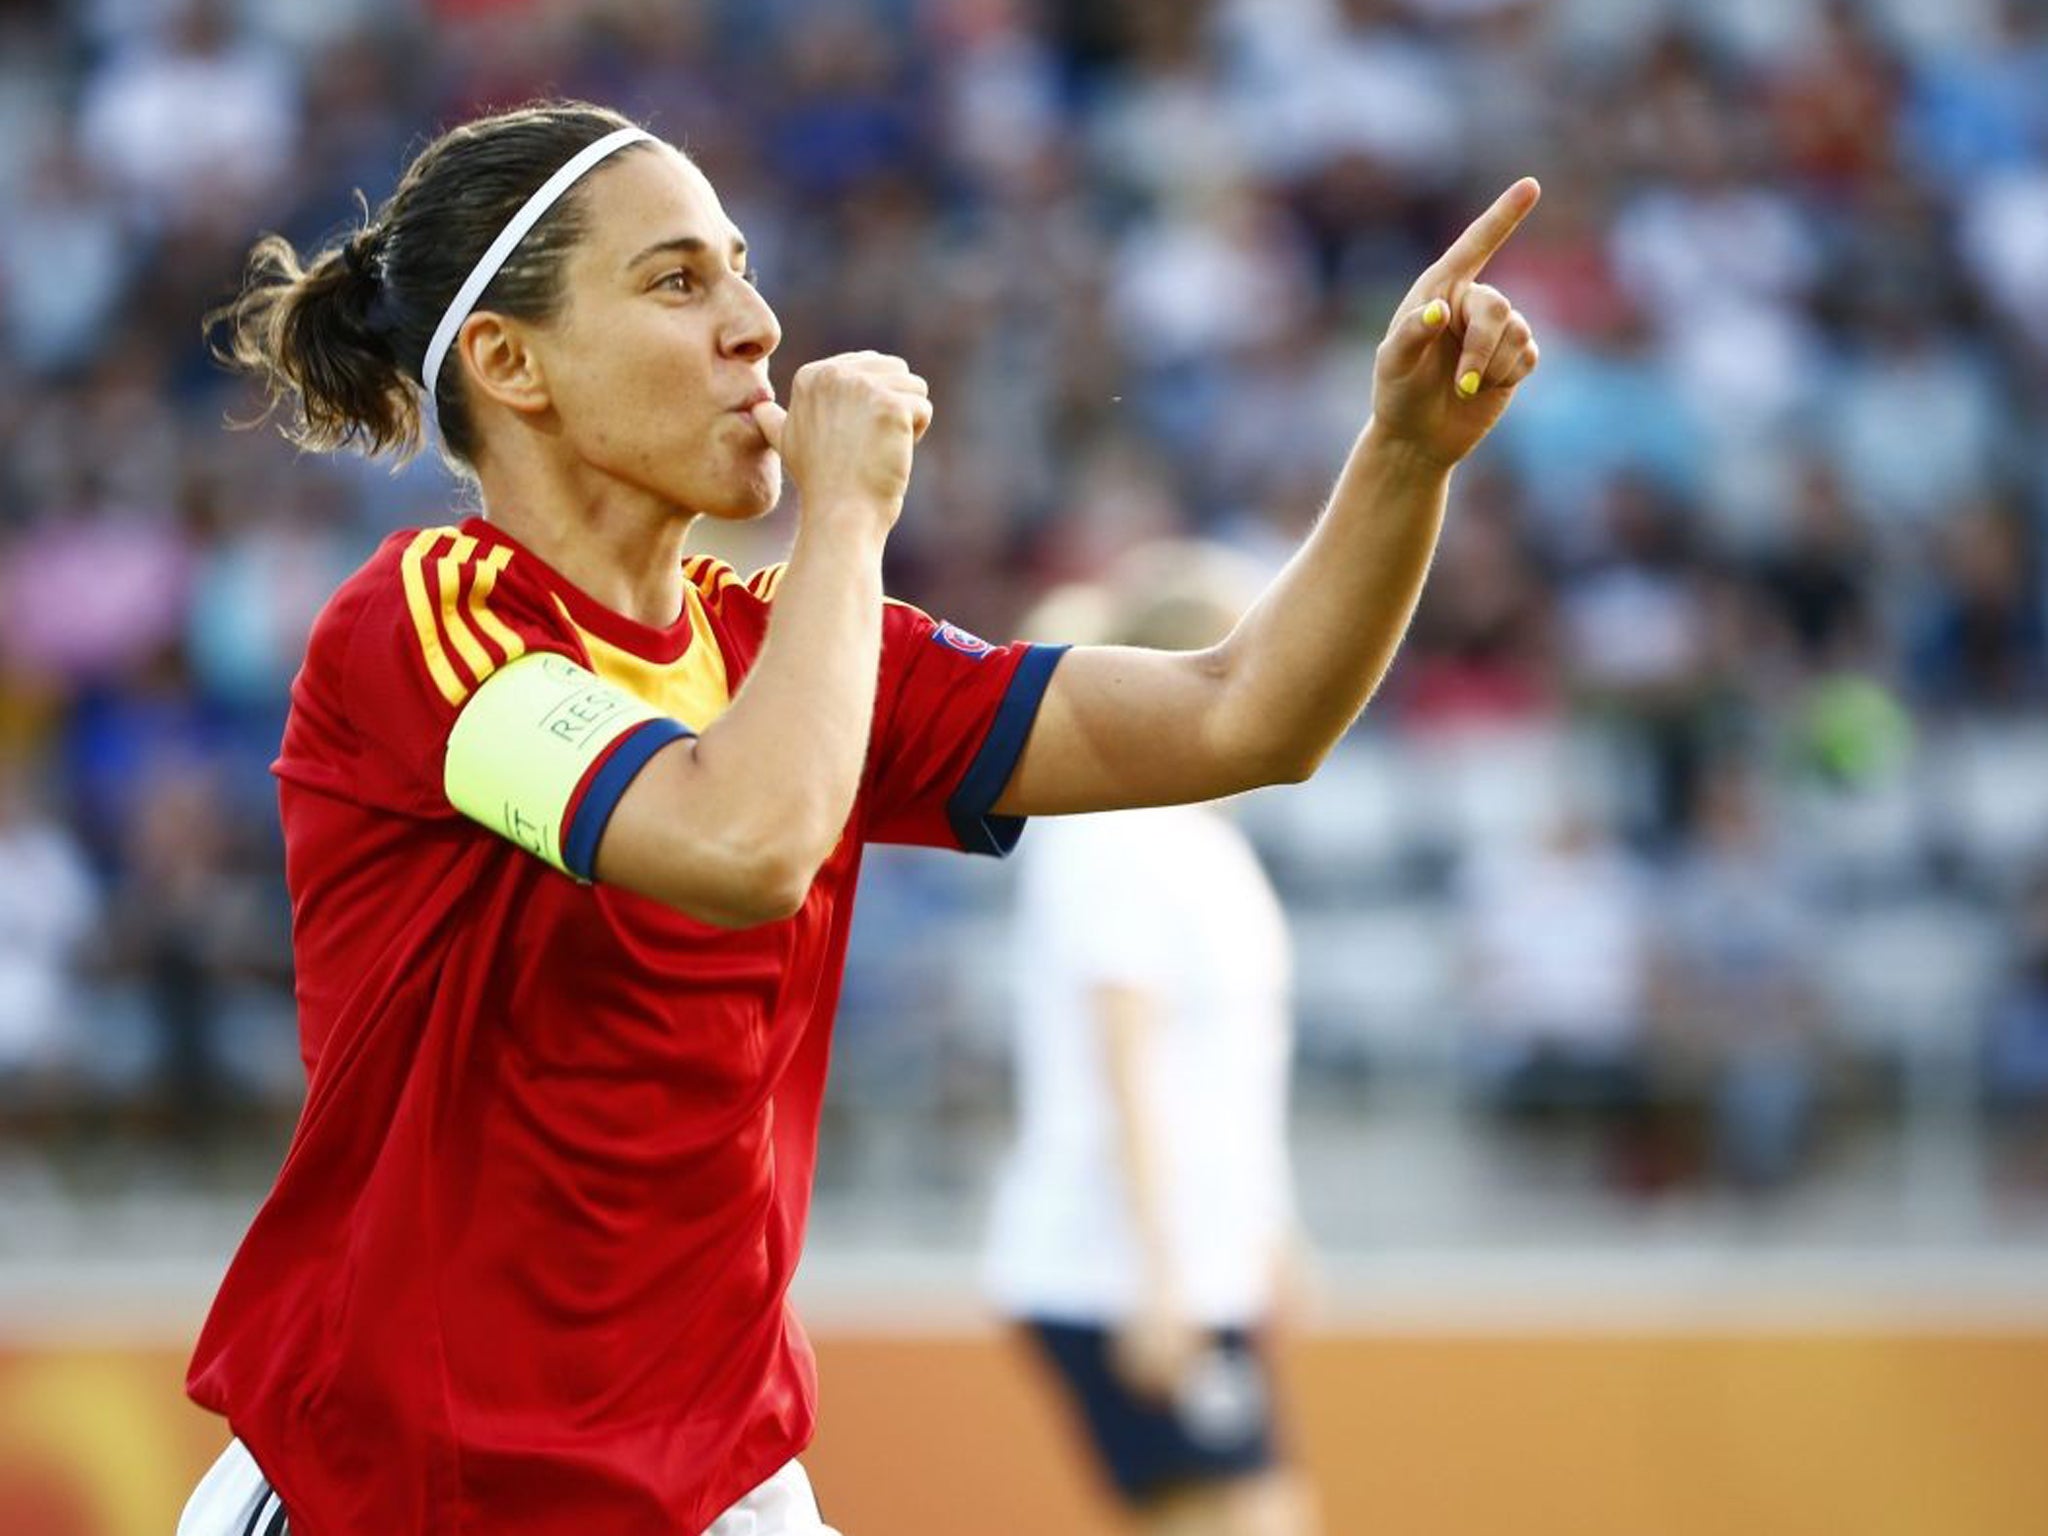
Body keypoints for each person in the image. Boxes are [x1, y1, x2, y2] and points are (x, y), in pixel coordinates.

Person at [176, 100, 1540, 1536]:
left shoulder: (804, 652)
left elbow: (1247, 712)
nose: (756, 325)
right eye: (677, 280)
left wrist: (1402, 458)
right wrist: (842, 519)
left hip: (715, 1480)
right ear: (512, 363)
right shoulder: (422, 623)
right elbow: (738, 846)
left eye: (744, 268)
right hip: (409, 1482)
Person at [985, 545, 1315, 1536]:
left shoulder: (1193, 839)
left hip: (1184, 1264)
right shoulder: (1116, 834)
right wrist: (1158, 1277)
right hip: (1113, 1269)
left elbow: (1222, 1070)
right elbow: (1122, 1061)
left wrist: (1262, 1229)